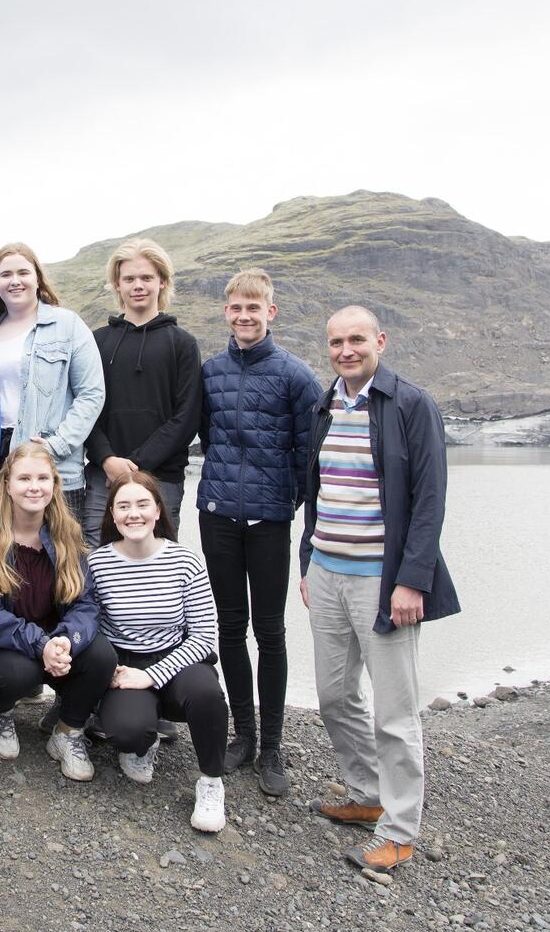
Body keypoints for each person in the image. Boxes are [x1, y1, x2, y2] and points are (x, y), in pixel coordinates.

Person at [300, 305, 461, 872]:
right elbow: (317, 491)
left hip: (382, 580)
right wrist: (307, 561)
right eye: (336, 342)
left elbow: (430, 500)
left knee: (394, 713)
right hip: (326, 573)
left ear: (381, 341)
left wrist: (412, 581)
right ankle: (367, 795)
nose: (346, 350)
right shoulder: (325, 405)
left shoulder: (411, 404)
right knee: (334, 697)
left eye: (357, 340)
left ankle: (398, 830)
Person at [197, 268, 324, 798]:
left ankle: (271, 746)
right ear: (226, 311)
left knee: (270, 632)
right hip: (217, 515)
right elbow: (208, 438)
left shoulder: (296, 375)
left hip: (270, 520)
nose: (244, 316)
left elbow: (308, 452)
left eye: (254, 307)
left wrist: (285, 499)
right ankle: (243, 735)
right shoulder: (210, 372)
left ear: (271, 311)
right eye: (236, 307)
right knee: (230, 627)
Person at [89, 471, 229, 834]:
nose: (133, 514)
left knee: (207, 695)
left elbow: (203, 637)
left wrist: (152, 675)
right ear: (112, 514)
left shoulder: (186, 562)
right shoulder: (98, 564)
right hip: (126, 662)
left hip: (179, 658)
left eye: (142, 504)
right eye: (123, 506)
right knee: (127, 731)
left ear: (157, 511)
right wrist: (111, 669)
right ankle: (143, 742)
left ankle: (211, 782)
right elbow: (93, 626)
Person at [0, 443, 117, 780]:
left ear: (54, 484)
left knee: (101, 656)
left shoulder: (67, 534)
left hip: (55, 639)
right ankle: (0, 713)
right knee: (18, 672)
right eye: (24, 478)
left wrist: (65, 640)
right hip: (5, 645)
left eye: (42, 478)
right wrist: (41, 644)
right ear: (7, 484)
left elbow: (85, 603)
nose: (34, 487)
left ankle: (67, 730)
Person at [0, 242, 104, 519]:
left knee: (58, 545)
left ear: (37, 279)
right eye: (5, 274)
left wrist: (57, 445)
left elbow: (91, 394)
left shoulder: (68, 325)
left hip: (50, 462)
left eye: (23, 272)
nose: (15, 281)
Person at [82, 237, 201, 544]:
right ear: (117, 285)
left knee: (158, 560)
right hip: (103, 476)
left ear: (162, 282)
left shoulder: (182, 344)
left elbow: (186, 417)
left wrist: (135, 466)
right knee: (95, 559)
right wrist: (107, 459)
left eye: (147, 277)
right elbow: (84, 407)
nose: (138, 285)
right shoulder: (97, 341)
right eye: (129, 279)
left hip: (162, 478)